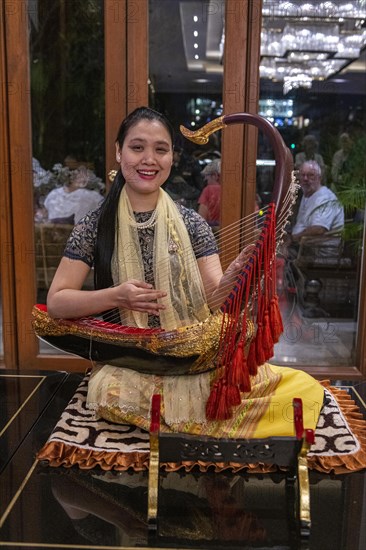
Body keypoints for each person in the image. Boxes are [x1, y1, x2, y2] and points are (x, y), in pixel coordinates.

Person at [46, 106, 323, 444]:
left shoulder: (192, 223)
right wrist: (117, 296)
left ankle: (179, 421)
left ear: (172, 158)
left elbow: (212, 299)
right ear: (119, 153)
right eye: (137, 147)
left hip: (191, 357)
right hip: (134, 364)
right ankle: (192, 420)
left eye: (160, 149)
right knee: (111, 391)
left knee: (303, 390)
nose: (149, 159)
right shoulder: (95, 226)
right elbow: (58, 302)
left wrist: (233, 277)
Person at [287, 160, 344, 260]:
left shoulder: (325, 198)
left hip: (319, 251)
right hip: (303, 246)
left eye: (310, 175)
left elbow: (318, 229)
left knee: (276, 256)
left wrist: (292, 239)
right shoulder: (308, 194)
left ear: (319, 178)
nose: (305, 179)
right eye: (303, 175)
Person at [198, 159, 221, 228]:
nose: (205, 181)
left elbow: (201, 220)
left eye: (206, 177)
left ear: (215, 175)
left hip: (215, 234)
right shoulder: (237, 190)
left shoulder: (208, 190)